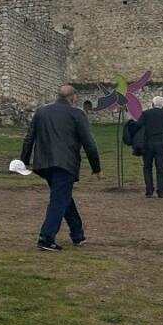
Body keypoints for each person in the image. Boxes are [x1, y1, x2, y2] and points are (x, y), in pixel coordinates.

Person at [21, 85, 101, 251]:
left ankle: (78, 234)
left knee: (63, 196)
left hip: (44, 163)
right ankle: (46, 237)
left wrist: (24, 160)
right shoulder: (77, 114)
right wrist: (96, 167)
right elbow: (89, 143)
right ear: (72, 98)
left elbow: (29, 137)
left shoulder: (42, 112)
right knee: (59, 199)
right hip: (65, 163)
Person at [137, 96, 163, 198]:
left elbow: (138, 127)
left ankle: (149, 190)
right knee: (160, 169)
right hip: (161, 144)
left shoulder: (145, 114)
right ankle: (161, 191)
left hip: (147, 144)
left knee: (147, 167)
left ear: (152, 104)